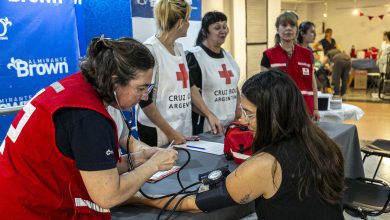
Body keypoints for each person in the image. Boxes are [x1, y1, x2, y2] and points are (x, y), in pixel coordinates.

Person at [0, 37, 178, 219]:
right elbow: (108, 195)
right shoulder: (88, 117)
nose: (143, 96)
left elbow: (92, 167)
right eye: (141, 88)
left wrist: (137, 159)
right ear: (115, 82)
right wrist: (154, 165)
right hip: (27, 209)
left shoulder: (77, 88)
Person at [131, 68, 345, 220]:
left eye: (249, 114)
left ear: (274, 115)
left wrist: (141, 199)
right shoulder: (324, 144)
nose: (242, 121)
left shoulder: (266, 164)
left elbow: (196, 204)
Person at [137, 0, 215, 146]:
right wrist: (171, 132)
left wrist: (209, 114)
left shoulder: (179, 48)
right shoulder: (150, 50)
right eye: (187, 20)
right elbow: (144, 100)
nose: (189, 24)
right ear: (180, 23)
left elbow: (189, 85)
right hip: (157, 131)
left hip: (181, 127)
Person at [186, 11, 240, 135]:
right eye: (217, 27)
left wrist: (238, 107)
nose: (223, 31)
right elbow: (190, 93)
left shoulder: (228, 56)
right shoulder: (194, 56)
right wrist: (209, 115)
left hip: (230, 124)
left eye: (225, 26)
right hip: (206, 126)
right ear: (205, 31)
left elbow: (233, 84)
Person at [261, 11, 320, 121]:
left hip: (305, 110)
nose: (288, 28)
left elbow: (312, 82)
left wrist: (316, 108)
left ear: (297, 30)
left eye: (292, 25)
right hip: (279, 111)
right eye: (284, 25)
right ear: (278, 29)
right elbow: (264, 88)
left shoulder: (307, 54)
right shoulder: (268, 55)